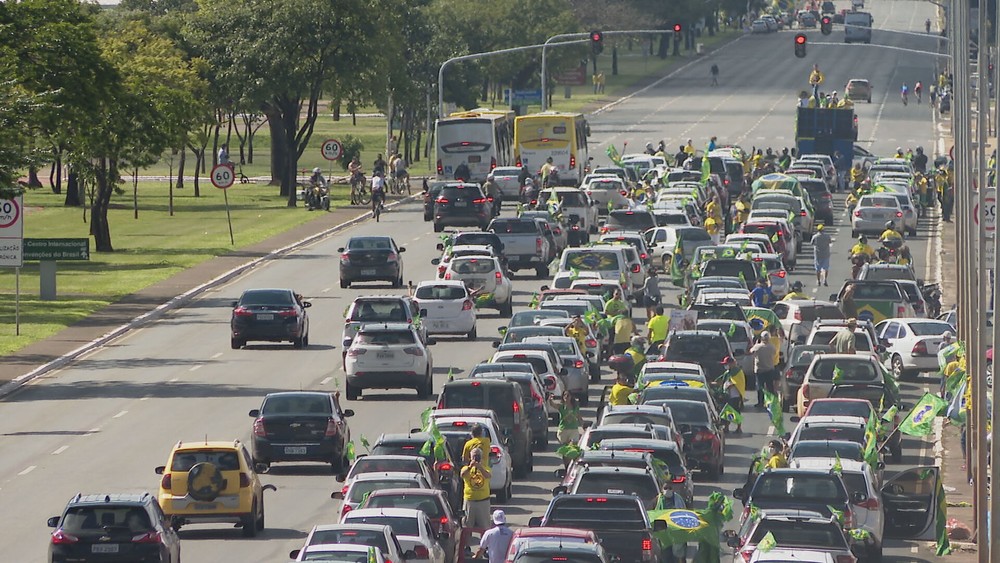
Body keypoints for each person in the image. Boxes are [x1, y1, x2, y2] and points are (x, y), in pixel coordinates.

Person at [461, 448, 492, 530]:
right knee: (467, 527)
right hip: (470, 501)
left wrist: (480, 468)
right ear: (470, 457)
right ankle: (467, 542)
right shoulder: (466, 468)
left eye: (478, 456)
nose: (476, 458)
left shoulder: (485, 468)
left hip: (483, 501)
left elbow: (488, 476)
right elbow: (462, 474)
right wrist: (470, 466)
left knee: (485, 527)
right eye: (474, 456)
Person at [749, 331, 777, 407]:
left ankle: (760, 402)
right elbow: (774, 353)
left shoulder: (757, 347)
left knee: (760, 387)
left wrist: (756, 344)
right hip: (769, 369)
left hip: (760, 370)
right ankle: (771, 402)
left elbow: (750, 351)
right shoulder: (772, 347)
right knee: (770, 387)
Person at [719, 356, 745, 434]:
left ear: (732, 363)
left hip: (735, 395)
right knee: (727, 411)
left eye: (727, 364)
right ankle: (726, 427)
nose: (726, 365)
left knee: (736, 411)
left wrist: (731, 385)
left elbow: (739, 382)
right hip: (727, 395)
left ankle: (739, 427)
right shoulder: (727, 372)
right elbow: (722, 380)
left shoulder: (738, 372)